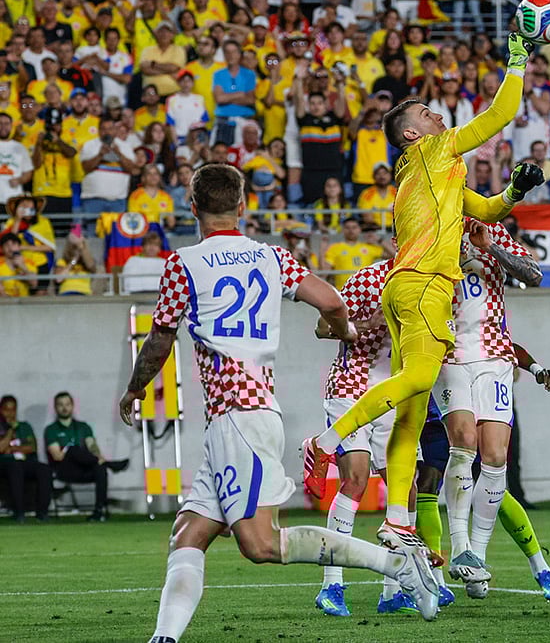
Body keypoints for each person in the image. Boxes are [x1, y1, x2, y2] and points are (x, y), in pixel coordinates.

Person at [117, 164, 440, 640]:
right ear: (243, 206)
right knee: (188, 533)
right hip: (250, 410)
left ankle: (396, 564)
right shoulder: (272, 256)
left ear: (192, 207)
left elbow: (160, 340)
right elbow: (331, 300)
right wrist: (346, 329)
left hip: (237, 416)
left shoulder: (182, 263)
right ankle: (163, 637)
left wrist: (135, 387)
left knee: (261, 544)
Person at [303, 34, 542, 562]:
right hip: (428, 287)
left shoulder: (429, 175)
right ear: (413, 132)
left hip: (404, 287)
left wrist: (516, 192)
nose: (439, 117)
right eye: (429, 114)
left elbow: (488, 210)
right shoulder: (433, 151)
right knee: (415, 381)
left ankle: (394, 521)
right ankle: (324, 441)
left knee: (411, 415)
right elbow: (500, 113)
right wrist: (519, 56)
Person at [313, 255, 436, 617]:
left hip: (394, 394)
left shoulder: (431, 281)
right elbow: (322, 327)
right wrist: (369, 323)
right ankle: (331, 585)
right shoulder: (368, 279)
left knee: (406, 486)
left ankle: (393, 590)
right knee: (355, 478)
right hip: (350, 389)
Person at [431, 218, 545, 596]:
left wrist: (490, 247)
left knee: (495, 458)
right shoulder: (431, 229)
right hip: (450, 352)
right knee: (463, 441)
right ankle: (460, 545)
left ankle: (476, 556)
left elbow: (534, 275)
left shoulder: (492, 231)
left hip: (495, 355)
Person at [44, 391, 128, 521]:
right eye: (60, 404)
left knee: (100, 468)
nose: (64, 407)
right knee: (73, 449)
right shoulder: (51, 430)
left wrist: (98, 458)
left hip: (84, 468)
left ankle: (98, 512)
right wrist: (69, 450)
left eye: (67, 404)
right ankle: (110, 464)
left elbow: (92, 447)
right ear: (55, 407)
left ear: (72, 406)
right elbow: (57, 456)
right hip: (64, 470)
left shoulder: (83, 427)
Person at [79, 117, 140, 231]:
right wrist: (100, 155)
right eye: (103, 129)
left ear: (115, 131)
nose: (107, 132)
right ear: (98, 131)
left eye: (110, 129)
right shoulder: (89, 145)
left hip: (117, 201)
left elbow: (132, 169)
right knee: (92, 233)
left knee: (116, 237)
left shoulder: (124, 146)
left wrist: (118, 153)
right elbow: (86, 168)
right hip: (93, 199)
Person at [0, 394, 52, 523]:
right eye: (7, 409)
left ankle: (42, 513)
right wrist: (10, 431)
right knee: (15, 467)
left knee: (44, 469)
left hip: (25, 461)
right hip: (5, 463)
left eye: (13, 409)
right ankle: (19, 512)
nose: (10, 413)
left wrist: (11, 449)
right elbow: (1, 449)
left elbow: (32, 447)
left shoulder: (24, 426)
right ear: (1, 410)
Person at [322, 216, 384, 290]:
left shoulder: (368, 247)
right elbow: (324, 273)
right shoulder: (334, 248)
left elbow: (394, 254)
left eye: (354, 227)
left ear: (359, 229)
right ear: (342, 230)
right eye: (347, 228)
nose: (351, 230)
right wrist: (322, 249)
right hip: (344, 292)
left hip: (366, 290)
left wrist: (379, 240)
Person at [0, 112, 33, 205]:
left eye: (6, 124)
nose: (3, 127)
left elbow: (28, 172)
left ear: (11, 126)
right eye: (0, 123)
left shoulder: (20, 148)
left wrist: (19, 180)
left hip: (14, 199)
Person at [53, 231, 98, 296]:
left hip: (84, 293)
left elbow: (92, 268)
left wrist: (82, 248)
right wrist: (74, 260)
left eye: (78, 248)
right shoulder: (62, 261)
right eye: (74, 247)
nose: (76, 250)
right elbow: (58, 279)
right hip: (67, 293)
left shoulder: (88, 263)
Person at [356, 162, 397, 230]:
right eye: (378, 173)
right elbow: (367, 217)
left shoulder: (397, 192)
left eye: (385, 173)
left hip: (395, 229)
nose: (382, 176)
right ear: (373, 176)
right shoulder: (367, 194)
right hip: (375, 229)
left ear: (390, 175)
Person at [0, 232, 36, 296]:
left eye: (13, 244)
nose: (10, 248)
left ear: (19, 247)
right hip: (4, 302)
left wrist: (23, 267)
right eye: (6, 245)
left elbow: (34, 284)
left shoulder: (28, 262)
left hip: (24, 302)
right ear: (2, 249)